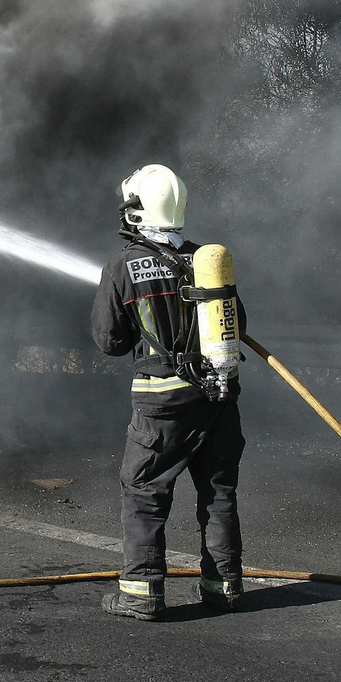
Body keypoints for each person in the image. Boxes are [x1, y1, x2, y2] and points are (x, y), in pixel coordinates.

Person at [91, 164, 246, 620]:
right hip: (218, 397)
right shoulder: (205, 261)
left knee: (143, 489)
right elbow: (238, 324)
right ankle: (225, 587)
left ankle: (141, 593)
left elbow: (111, 342)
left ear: (138, 211)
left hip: (163, 401)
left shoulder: (122, 266)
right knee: (218, 491)